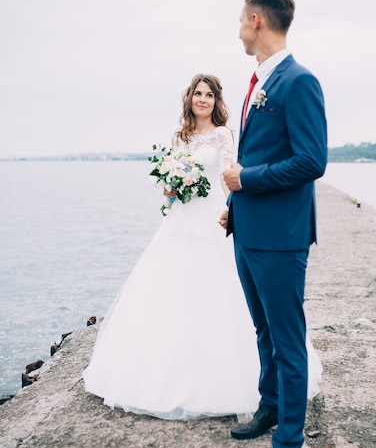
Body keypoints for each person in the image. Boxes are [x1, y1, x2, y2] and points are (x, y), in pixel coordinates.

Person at [83, 73, 322, 422]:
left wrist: (233, 209)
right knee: (167, 290)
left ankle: (245, 382)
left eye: (209, 94)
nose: (203, 99)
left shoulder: (223, 135)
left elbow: (229, 176)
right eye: (198, 93)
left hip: (210, 217)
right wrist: (169, 184)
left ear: (216, 101)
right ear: (190, 98)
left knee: (223, 290)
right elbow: (168, 184)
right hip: (179, 220)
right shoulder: (179, 137)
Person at [221, 0, 328, 448]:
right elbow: (260, 154)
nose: (239, 28)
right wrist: (234, 205)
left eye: (242, 20)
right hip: (248, 231)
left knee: (288, 341)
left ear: (258, 21)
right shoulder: (256, 81)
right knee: (262, 329)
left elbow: (312, 161)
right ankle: (269, 406)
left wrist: (248, 180)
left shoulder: (298, 81)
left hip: (282, 240)